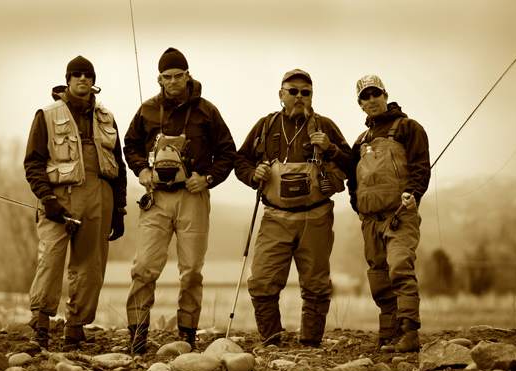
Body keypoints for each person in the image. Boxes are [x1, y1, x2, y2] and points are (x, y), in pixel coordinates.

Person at [123, 47, 236, 354]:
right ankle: (136, 336)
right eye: (166, 76)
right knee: (144, 267)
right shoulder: (146, 110)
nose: (172, 81)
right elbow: (130, 145)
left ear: (188, 75)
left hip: (193, 197)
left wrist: (208, 177)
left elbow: (228, 153)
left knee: (191, 272)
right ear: (159, 78)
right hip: (155, 198)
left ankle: (186, 336)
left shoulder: (207, 112)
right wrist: (142, 170)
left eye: (178, 75)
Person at [235, 69, 353, 348]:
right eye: (293, 91)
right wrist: (254, 174)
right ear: (281, 95)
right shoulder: (265, 125)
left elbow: (351, 164)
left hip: (317, 216)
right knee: (262, 281)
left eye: (306, 92)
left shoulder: (325, 126)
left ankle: (311, 343)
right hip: (275, 215)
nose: (299, 97)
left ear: (311, 96)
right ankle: (272, 340)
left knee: (316, 285)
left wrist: (331, 150)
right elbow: (240, 161)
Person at [24, 56, 127, 352]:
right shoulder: (46, 114)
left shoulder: (107, 117)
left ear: (94, 81)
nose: (83, 78)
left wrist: (118, 210)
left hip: (100, 196)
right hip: (58, 199)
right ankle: (40, 329)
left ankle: (75, 330)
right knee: (50, 261)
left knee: (90, 266)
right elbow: (33, 163)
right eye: (77, 74)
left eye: (88, 74)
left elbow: (118, 166)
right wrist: (47, 199)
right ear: (67, 79)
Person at [347, 75, 430, 353]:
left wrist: (413, 194)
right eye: (365, 97)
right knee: (379, 276)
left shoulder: (408, 128)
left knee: (400, 268)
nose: (371, 100)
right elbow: (352, 179)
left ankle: (409, 333)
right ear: (359, 103)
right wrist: (357, 204)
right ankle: (388, 333)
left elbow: (420, 166)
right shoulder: (360, 140)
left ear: (385, 95)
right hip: (370, 221)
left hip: (400, 216)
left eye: (375, 94)